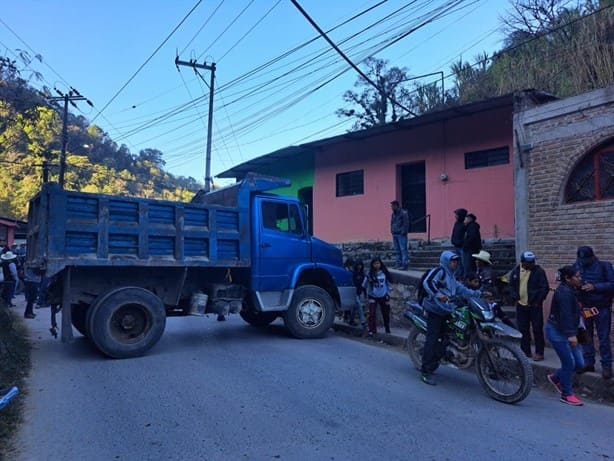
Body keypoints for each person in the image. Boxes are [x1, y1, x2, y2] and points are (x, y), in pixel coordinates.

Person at [420, 251, 482, 385]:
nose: (454, 264)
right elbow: (428, 282)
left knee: (446, 337)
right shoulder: (439, 271)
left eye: (456, 262)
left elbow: (464, 291)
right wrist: (438, 294)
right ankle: (425, 371)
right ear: (446, 261)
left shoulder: (452, 278)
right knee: (432, 338)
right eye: (452, 261)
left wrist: (480, 294)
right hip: (435, 311)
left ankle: (437, 360)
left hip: (447, 310)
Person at [545, 265, 585, 406]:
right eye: (577, 276)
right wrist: (571, 335)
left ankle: (556, 378)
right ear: (568, 278)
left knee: (580, 363)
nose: (580, 279)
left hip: (569, 330)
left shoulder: (572, 290)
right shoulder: (564, 294)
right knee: (569, 363)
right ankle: (566, 394)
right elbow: (565, 316)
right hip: (558, 332)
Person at [573, 246, 614, 380]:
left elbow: (612, 284)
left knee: (603, 338)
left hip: (601, 308)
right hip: (585, 307)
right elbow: (571, 279)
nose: (582, 261)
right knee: (585, 336)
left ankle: (607, 366)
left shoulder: (604, 266)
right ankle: (588, 362)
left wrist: (595, 287)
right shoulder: (577, 265)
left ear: (592, 257)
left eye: (585, 259)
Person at [509, 251, 550, 361]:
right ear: (523, 262)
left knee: (537, 329)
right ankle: (525, 351)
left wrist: (538, 300)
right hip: (521, 305)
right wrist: (515, 297)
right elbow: (511, 285)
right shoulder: (516, 271)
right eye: (529, 262)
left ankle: (539, 352)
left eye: (533, 262)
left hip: (534, 306)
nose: (531, 264)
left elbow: (544, 287)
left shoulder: (539, 272)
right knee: (523, 329)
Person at [362, 257, 393, 338]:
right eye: (375, 263)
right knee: (372, 313)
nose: (377, 265)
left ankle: (387, 327)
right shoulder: (369, 273)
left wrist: (388, 294)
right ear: (372, 265)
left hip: (384, 295)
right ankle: (372, 330)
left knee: (385, 312)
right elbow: (364, 285)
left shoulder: (384, 273)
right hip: (373, 295)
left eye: (378, 263)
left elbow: (389, 284)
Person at [390, 200, 410, 270]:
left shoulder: (403, 213)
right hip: (395, 234)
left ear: (396, 206)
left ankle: (405, 265)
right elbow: (392, 222)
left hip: (401, 235)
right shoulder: (393, 214)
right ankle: (398, 264)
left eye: (392, 206)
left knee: (403, 250)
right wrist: (392, 230)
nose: (391, 207)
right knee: (397, 250)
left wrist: (403, 232)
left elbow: (406, 224)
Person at [462, 213, 481, 278]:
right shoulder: (470, 227)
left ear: (470, 219)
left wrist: (465, 245)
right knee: (469, 266)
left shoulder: (472, 226)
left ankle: (469, 280)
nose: (464, 220)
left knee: (468, 266)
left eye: (465, 218)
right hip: (471, 249)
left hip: (470, 250)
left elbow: (471, 238)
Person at [450, 208, 467, 278]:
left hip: (462, 246)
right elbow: (454, 233)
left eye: (457, 214)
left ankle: (464, 277)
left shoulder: (464, 224)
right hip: (456, 246)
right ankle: (458, 276)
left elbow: (466, 236)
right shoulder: (456, 223)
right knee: (457, 263)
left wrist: (462, 242)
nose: (455, 216)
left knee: (463, 263)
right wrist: (453, 240)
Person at [350, 260, 367, 328]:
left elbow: (364, 284)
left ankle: (351, 320)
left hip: (359, 292)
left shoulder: (362, 274)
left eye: (360, 265)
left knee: (355, 307)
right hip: (354, 292)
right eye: (358, 265)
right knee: (359, 305)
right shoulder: (354, 273)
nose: (359, 267)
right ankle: (363, 322)